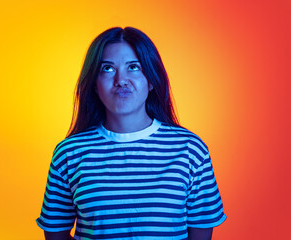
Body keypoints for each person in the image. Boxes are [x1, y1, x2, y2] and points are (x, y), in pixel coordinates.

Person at [36, 27, 226, 240]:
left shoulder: (191, 150)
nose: (121, 80)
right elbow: (55, 233)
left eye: (134, 67)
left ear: (152, 80)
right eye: (107, 69)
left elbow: (201, 234)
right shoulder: (69, 153)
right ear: (94, 85)